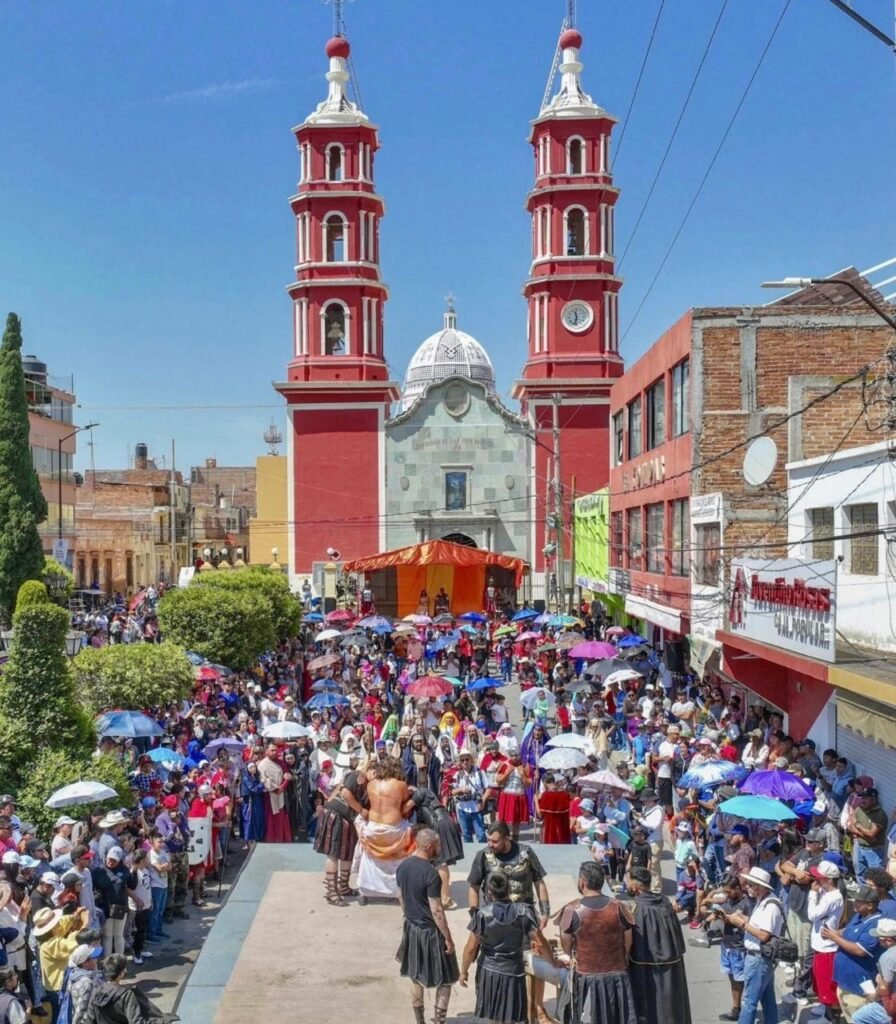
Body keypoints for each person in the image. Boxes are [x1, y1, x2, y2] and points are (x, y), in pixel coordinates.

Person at [467, 823, 554, 1024]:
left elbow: (539, 881)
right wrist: (475, 916)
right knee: (496, 965)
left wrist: (545, 911)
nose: (490, 844)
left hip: (524, 918)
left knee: (533, 963)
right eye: (488, 840)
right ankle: (498, 1012)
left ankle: (536, 1008)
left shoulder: (526, 852)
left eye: (495, 841)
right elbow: (473, 886)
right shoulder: (483, 856)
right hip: (495, 920)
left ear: (507, 839)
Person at [461, 871, 557, 1024]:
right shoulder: (525, 911)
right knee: (513, 1016)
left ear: (489, 892)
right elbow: (539, 942)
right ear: (509, 890)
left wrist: (463, 971)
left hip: (489, 971)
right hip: (514, 971)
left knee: (493, 1017)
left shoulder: (482, 915)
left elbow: (471, 947)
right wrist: (553, 962)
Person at [557, 861, 637, 1024]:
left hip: (587, 976)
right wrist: (624, 956)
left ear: (582, 882)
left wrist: (569, 954)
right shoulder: (619, 906)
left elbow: (566, 943)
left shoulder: (572, 910)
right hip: (617, 974)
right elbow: (628, 939)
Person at [395, 829, 458, 1024]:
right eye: (438, 846)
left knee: (415, 978)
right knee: (446, 980)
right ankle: (439, 1022)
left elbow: (401, 897)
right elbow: (437, 910)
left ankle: (419, 1021)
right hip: (431, 933)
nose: (440, 849)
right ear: (430, 847)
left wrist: (409, 916)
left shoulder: (403, 866)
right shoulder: (431, 873)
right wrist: (447, 938)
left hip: (412, 927)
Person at [628, 866, 692, 1024]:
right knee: (671, 1007)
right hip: (671, 963)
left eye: (628, 881)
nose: (627, 885)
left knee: (651, 1008)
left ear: (635, 886)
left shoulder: (635, 908)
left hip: (646, 968)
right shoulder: (664, 902)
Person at [721, 867, 784, 1024]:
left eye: (750, 884)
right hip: (761, 958)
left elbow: (764, 935)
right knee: (767, 999)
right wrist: (745, 919)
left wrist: (741, 923)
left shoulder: (770, 906)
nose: (747, 887)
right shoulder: (762, 901)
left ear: (760, 886)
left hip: (758, 958)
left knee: (749, 1002)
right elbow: (759, 926)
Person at [354, 757, 415, 901]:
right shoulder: (401, 785)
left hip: (373, 828)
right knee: (412, 840)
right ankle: (399, 888)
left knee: (367, 854)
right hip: (393, 829)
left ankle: (365, 890)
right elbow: (403, 807)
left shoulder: (371, 784)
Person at [313, 760, 367, 906]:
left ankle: (343, 887)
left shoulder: (370, 783)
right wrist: (361, 810)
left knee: (347, 853)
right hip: (335, 814)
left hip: (348, 819)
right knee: (334, 854)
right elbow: (344, 792)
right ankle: (332, 892)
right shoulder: (355, 775)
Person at [827, 883, 884, 1022]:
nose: (854, 903)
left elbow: (860, 950)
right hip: (844, 983)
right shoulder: (859, 916)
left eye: (859, 901)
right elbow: (847, 931)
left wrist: (834, 938)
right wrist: (837, 933)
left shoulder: (876, 923)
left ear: (870, 905)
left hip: (858, 989)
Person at [411, 788, 464, 909]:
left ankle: (445, 899)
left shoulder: (419, 792)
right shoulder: (428, 794)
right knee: (438, 862)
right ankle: (441, 895)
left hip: (440, 824)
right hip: (443, 822)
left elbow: (405, 808)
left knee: (441, 863)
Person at [807, 860, 845, 1018]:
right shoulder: (826, 893)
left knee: (828, 987)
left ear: (829, 879)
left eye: (820, 878)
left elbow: (812, 915)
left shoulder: (833, 897)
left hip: (827, 948)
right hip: (819, 945)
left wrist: (812, 894)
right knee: (820, 983)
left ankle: (832, 1018)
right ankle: (826, 1011)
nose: (816, 880)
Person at [93, 953, 178, 1024]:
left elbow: (90, 1017)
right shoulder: (126, 995)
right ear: (122, 973)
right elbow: (136, 1021)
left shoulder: (95, 990)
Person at [852, 918, 896, 1024]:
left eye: (879, 938)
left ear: (888, 940)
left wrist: (873, 996)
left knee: (858, 1017)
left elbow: (885, 986)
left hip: (891, 1004)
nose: (877, 941)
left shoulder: (888, 957)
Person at [257, 743, 292, 843]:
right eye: (272, 750)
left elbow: (287, 776)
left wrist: (283, 786)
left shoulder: (281, 763)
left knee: (281, 816)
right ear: (266, 751)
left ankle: (281, 838)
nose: (274, 752)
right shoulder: (262, 765)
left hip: (281, 793)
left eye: (275, 750)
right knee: (270, 818)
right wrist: (274, 789)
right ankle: (271, 839)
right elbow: (263, 780)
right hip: (269, 795)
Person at [632, 789, 665, 895]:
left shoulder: (658, 810)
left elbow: (654, 825)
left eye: (646, 800)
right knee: (646, 863)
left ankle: (656, 888)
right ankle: (647, 885)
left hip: (655, 840)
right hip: (647, 839)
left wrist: (641, 820)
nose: (644, 802)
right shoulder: (646, 808)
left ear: (652, 800)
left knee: (654, 864)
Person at [63, 943, 104, 1024]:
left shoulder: (74, 973)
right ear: (85, 963)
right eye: (94, 957)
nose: (97, 959)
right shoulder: (86, 983)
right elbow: (80, 1011)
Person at [452, 752, 487, 843]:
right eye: (462, 760)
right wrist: (461, 789)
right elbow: (451, 791)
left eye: (467, 759)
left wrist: (483, 800)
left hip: (476, 808)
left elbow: (489, 788)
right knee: (466, 836)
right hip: (463, 809)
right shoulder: (457, 775)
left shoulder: (479, 772)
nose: (465, 762)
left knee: (481, 835)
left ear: (471, 760)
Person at [535, 773, 571, 845]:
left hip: (549, 830)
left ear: (544, 782)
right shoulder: (565, 794)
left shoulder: (546, 795)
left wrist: (535, 800)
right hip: (563, 830)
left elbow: (540, 815)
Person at [239, 761, 266, 845]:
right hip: (249, 802)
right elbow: (253, 789)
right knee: (249, 820)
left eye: (254, 767)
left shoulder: (255, 776)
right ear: (247, 769)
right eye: (250, 767)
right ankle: (249, 840)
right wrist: (262, 784)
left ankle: (257, 837)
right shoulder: (246, 778)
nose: (253, 769)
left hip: (257, 801)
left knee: (258, 818)